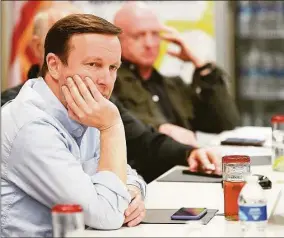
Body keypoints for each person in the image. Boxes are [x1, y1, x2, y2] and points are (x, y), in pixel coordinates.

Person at [1, 4, 222, 184]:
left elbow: (137, 153)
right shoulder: (17, 109)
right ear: (40, 48)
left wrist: (187, 155)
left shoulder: (94, 100)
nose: (104, 77)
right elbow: (99, 208)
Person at [1, 14, 147, 237]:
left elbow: (127, 173)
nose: (106, 80)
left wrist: (134, 190)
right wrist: (112, 127)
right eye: (93, 64)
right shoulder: (30, 126)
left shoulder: (84, 108)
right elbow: (108, 215)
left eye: (113, 68)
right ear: (54, 65)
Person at [113, 2, 240, 147]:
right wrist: (162, 128)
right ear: (118, 39)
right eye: (138, 36)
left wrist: (200, 64)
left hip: (187, 163)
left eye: (155, 34)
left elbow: (226, 122)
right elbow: (122, 122)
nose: (149, 43)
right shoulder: (111, 83)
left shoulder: (174, 85)